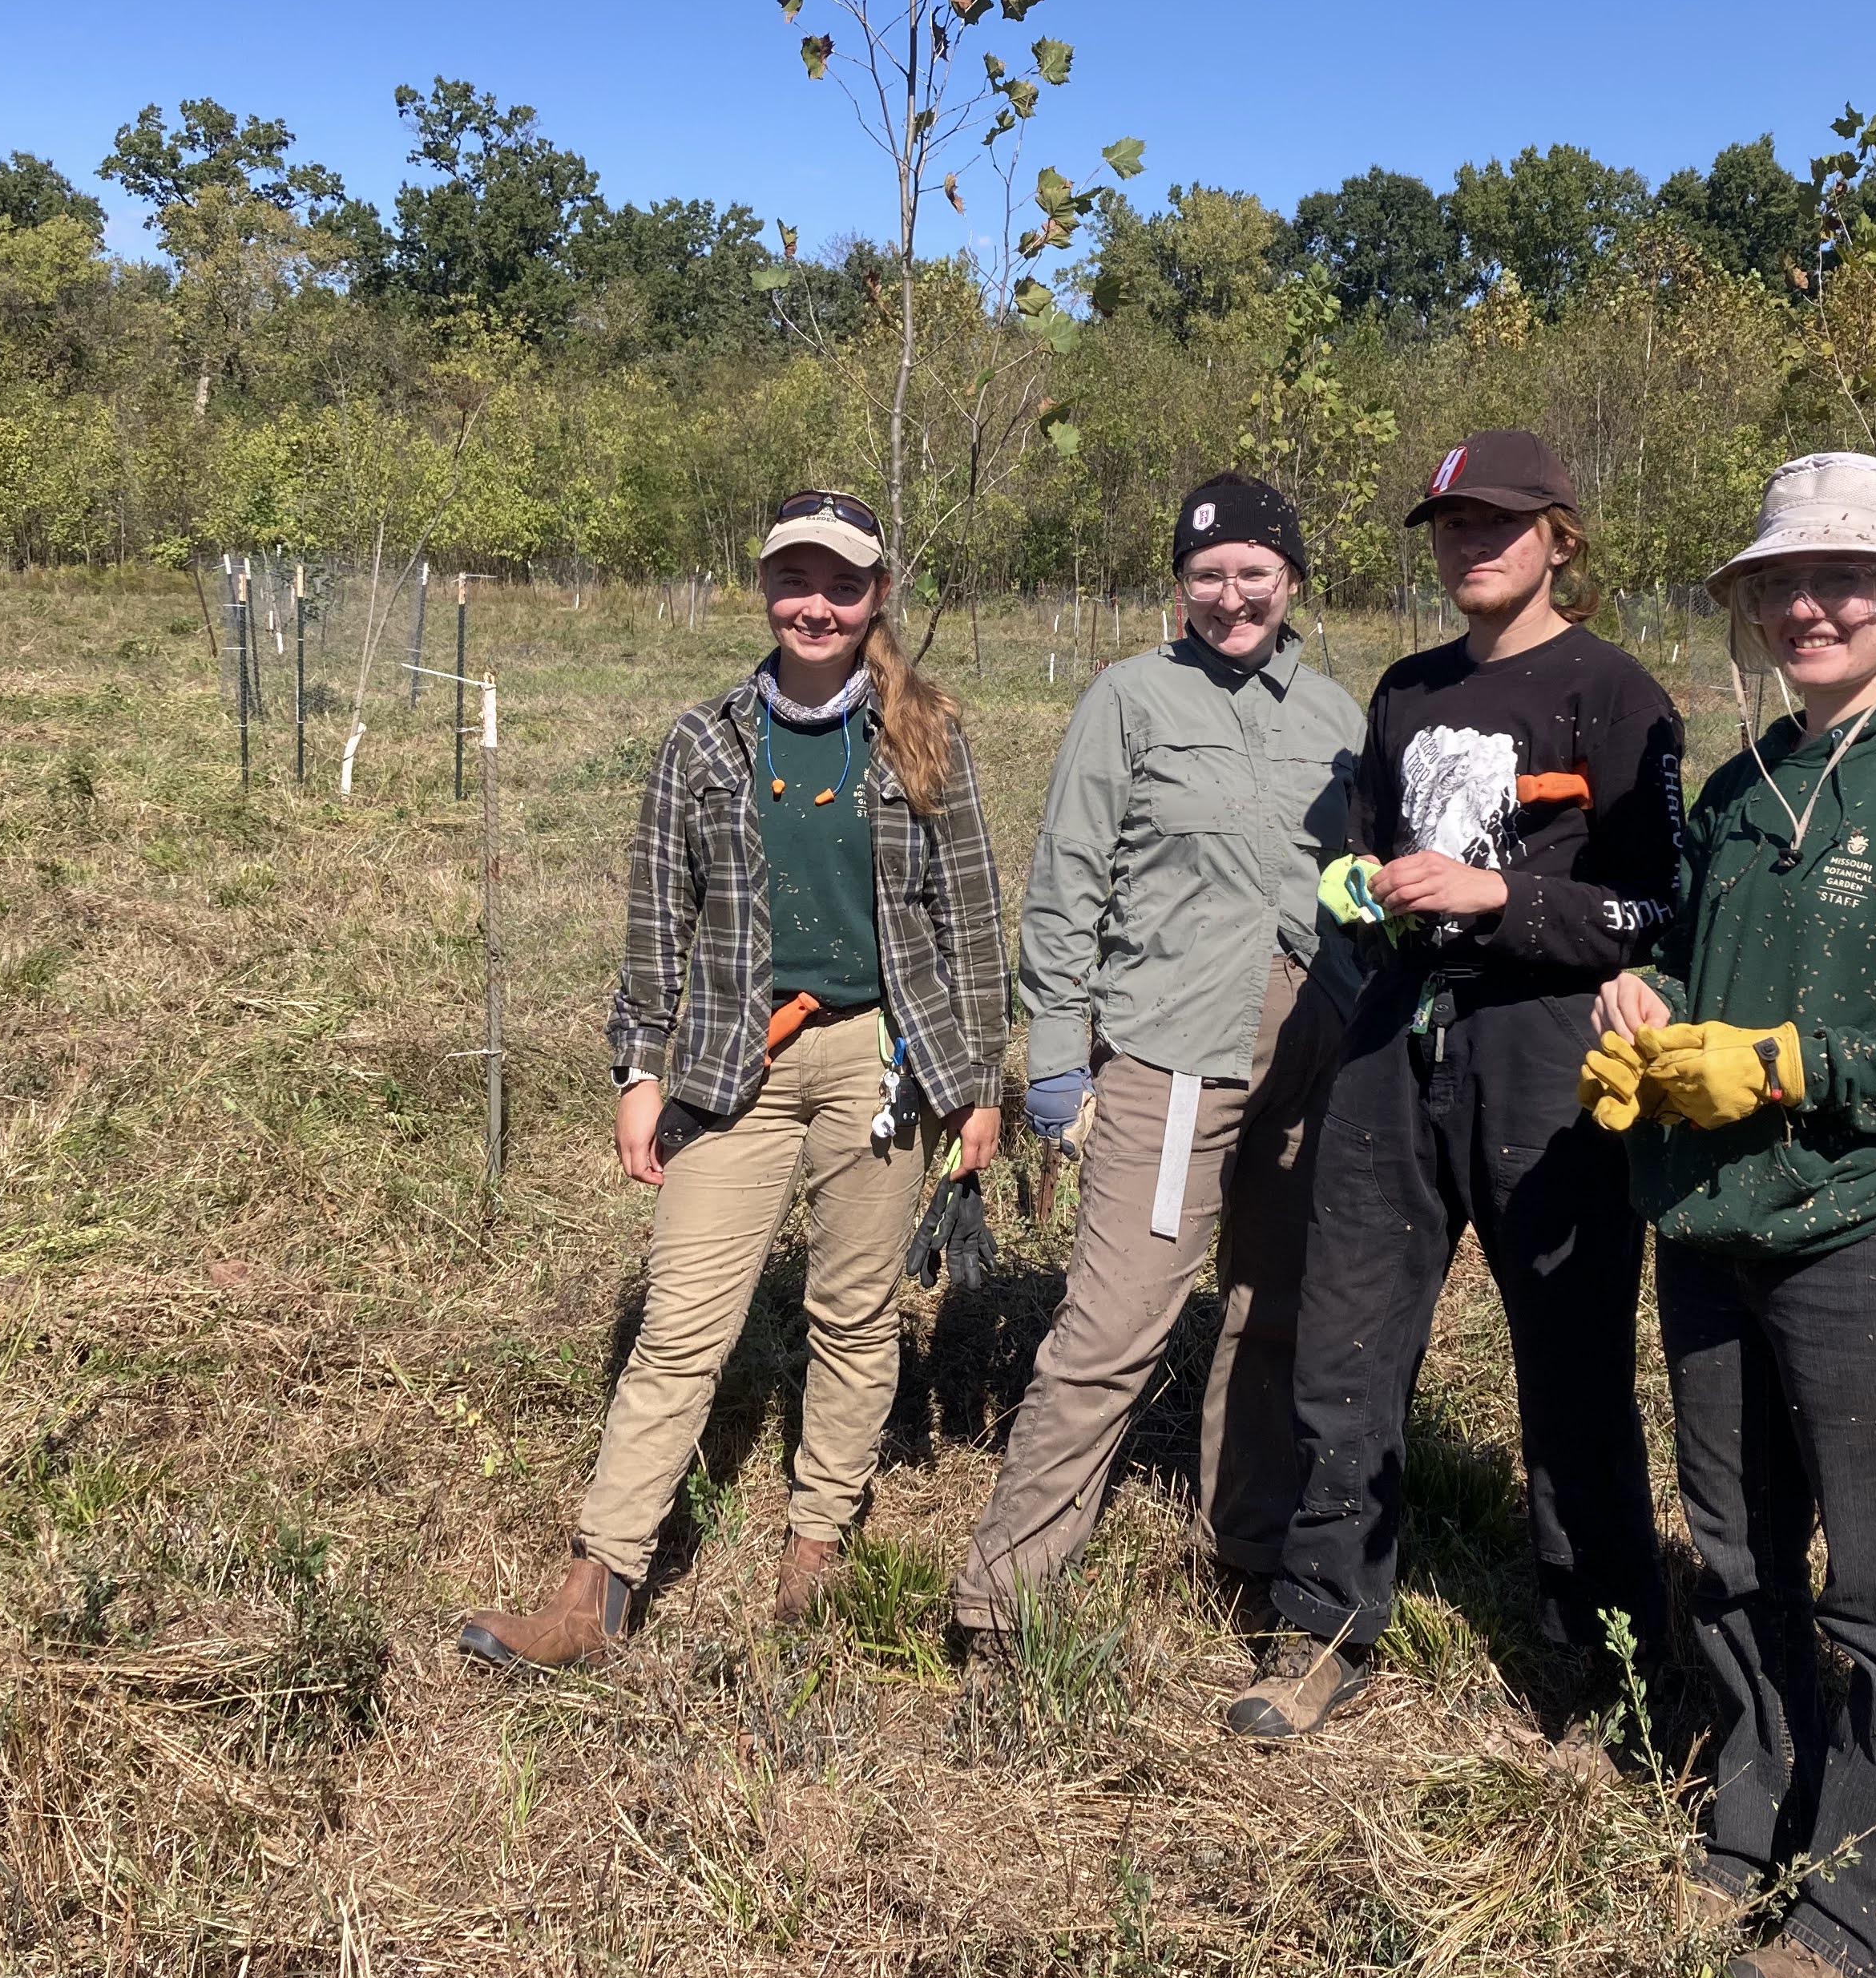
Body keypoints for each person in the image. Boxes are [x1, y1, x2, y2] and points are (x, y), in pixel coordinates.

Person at [1592, 450, 1876, 1978]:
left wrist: (1794, 1067)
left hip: (1865, 1238)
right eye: (1785, 580)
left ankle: (1867, 1914)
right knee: (1730, 1554)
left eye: (1848, 578)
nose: (1813, 604)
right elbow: (1699, 976)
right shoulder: (1737, 788)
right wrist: (1643, 1015)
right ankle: (1756, 1810)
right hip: (1709, 1228)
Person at [457, 490, 1008, 1669]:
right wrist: (636, 1072)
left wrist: (978, 1085)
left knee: (854, 1315)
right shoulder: (702, 744)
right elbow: (659, 925)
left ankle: (819, 1542)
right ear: (764, 588)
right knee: (681, 1329)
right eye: (795, 581)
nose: (816, 606)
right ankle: (594, 1591)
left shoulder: (927, 735)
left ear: (877, 596)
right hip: (734, 1056)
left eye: (842, 585)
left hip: (884, 1059)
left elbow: (969, 921)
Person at [1225, 428, 1684, 1742]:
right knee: (1346, 1338)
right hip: (1395, 1034)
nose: (1471, 543)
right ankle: (1323, 1624)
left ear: (1559, 536)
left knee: (1570, 1360)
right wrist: (1359, 890)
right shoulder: (1407, 690)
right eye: (1450, 525)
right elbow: (1373, 850)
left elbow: (1657, 902)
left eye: (1498, 521)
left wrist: (1504, 896)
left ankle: (1603, 1663)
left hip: (1548, 1049)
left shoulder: (1614, 692)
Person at [950, 474, 1366, 1643]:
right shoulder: (1129, 700)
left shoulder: (1338, 716)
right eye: (1208, 575)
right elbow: (1068, 878)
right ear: (1180, 586)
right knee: (1114, 1327)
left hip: (1312, 1062)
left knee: (1274, 1311)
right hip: (1172, 1059)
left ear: (1291, 578)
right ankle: (1001, 1598)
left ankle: (1251, 1544)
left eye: (1255, 572)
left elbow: (1357, 886)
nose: (1233, 596)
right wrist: (1055, 1055)